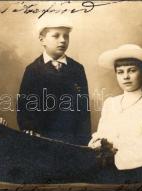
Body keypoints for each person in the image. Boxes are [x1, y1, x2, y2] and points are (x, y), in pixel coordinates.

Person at [88, 44, 142, 171]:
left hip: (134, 170)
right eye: (120, 72)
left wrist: (117, 155)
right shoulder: (110, 104)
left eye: (132, 70)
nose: (126, 77)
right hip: (104, 167)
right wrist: (97, 144)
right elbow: (102, 135)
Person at [17, 16, 91, 145]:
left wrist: (84, 141)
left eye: (66, 36)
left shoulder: (77, 69)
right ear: (42, 40)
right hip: (42, 140)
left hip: (72, 141)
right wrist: (29, 129)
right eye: (56, 36)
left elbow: (84, 110)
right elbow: (24, 108)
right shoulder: (33, 70)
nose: (62, 40)